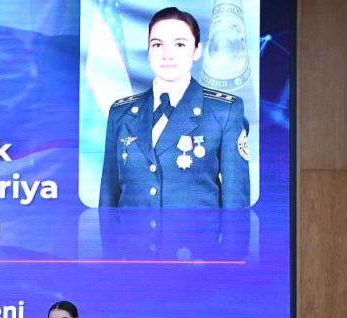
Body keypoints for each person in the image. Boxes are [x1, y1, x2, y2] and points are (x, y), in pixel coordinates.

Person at [99, 6, 251, 209]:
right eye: (157, 44)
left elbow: (236, 205)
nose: (167, 55)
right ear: (148, 51)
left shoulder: (224, 112)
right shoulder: (121, 113)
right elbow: (108, 200)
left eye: (179, 44)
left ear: (197, 51)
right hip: (131, 231)